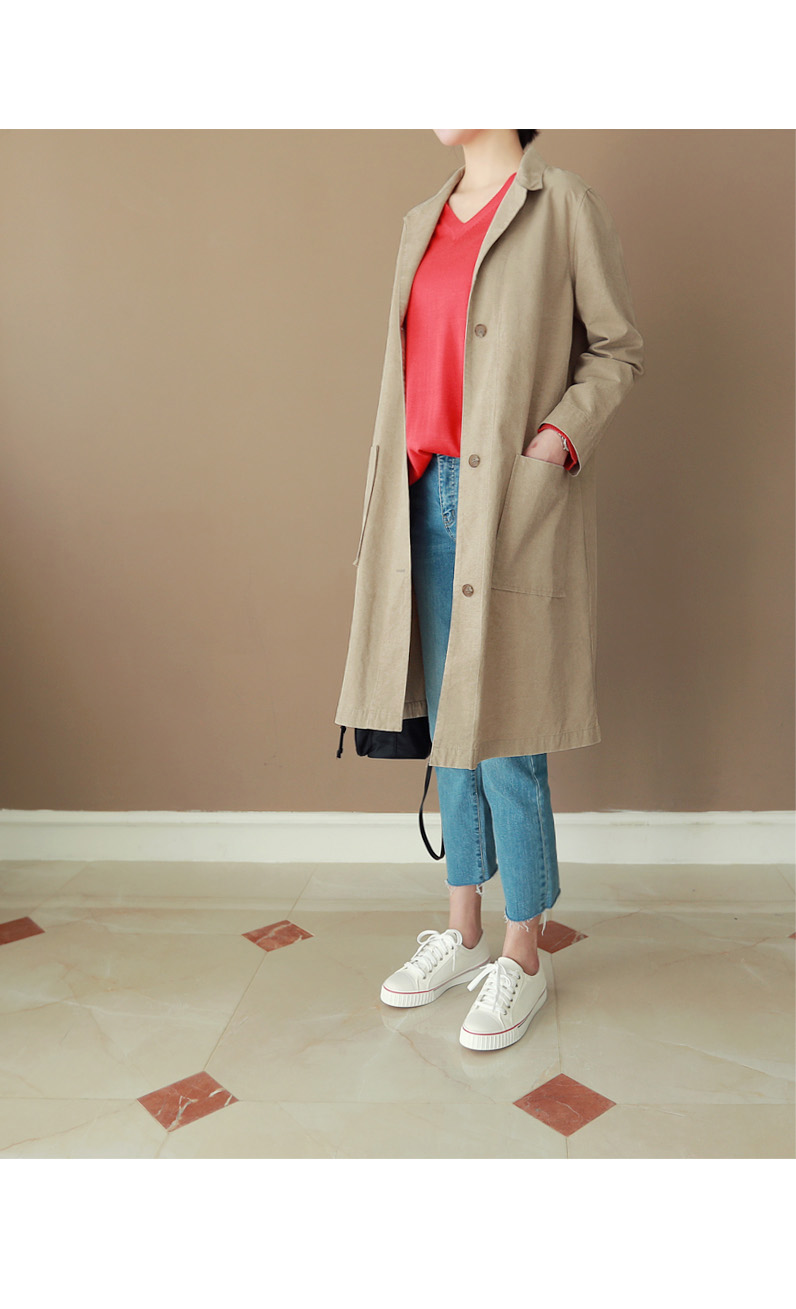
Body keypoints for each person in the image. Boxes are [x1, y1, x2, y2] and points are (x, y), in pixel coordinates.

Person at [335, 130, 644, 1052]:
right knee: (451, 730)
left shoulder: (563, 206)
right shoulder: (420, 221)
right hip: (423, 496)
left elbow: (618, 351)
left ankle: (524, 950)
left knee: (510, 732)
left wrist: (555, 442)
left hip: (508, 495)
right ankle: (462, 929)